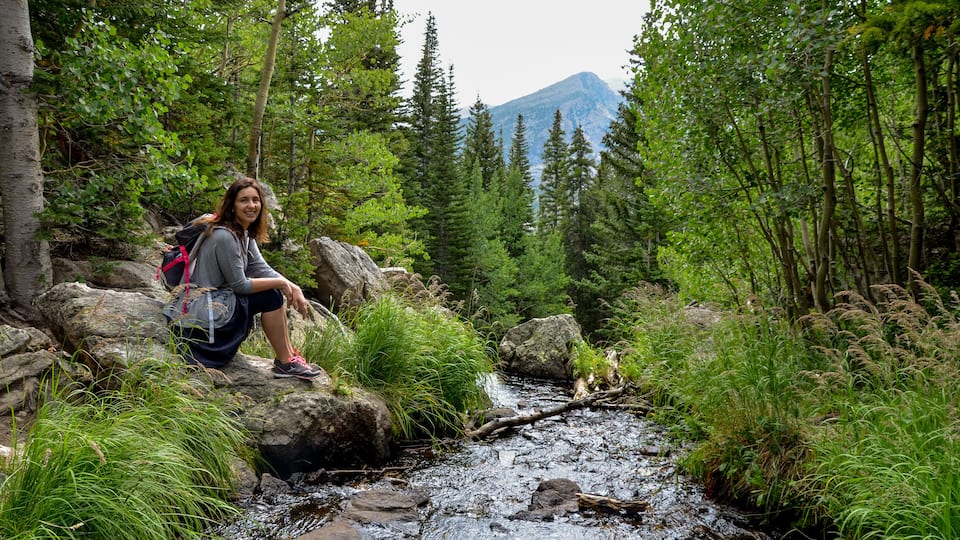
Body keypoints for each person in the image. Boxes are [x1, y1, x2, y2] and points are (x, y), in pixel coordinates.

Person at [164, 176, 322, 380]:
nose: (251, 205)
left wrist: (293, 287)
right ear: (232, 205)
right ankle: (285, 363)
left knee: (274, 291)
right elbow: (241, 285)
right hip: (206, 309)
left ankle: (289, 357)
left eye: (255, 200)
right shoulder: (224, 236)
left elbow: (260, 267)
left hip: (219, 300)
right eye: (244, 200)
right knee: (272, 296)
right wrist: (282, 284)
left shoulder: (243, 232)